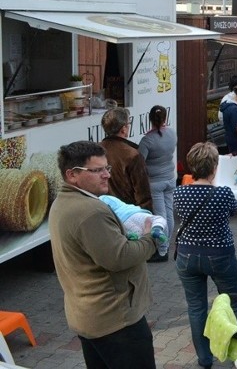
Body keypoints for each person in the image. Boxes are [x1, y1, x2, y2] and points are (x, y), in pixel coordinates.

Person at [49, 141, 158, 368]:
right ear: (72, 175)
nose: (107, 175)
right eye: (97, 170)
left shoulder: (63, 202)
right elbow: (119, 257)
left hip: (89, 317)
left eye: (106, 168)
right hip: (116, 322)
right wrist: (150, 238)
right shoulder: (90, 212)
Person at [174, 142, 237, 369]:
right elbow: (234, 210)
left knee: (196, 307)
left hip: (187, 256)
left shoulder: (180, 193)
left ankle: (205, 359)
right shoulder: (223, 193)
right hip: (220, 254)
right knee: (234, 301)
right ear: (214, 166)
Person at [137, 105, 177, 262]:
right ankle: (165, 245)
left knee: (160, 216)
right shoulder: (172, 134)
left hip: (155, 182)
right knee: (168, 213)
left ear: (150, 119)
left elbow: (140, 162)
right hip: (170, 178)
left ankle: (162, 250)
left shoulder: (147, 140)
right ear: (165, 118)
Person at [100, 107, 153, 211]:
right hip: (127, 213)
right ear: (123, 129)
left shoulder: (95, 150)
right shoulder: (132, 155)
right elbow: (143, 194)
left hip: (102, 210)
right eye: (129, 123)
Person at [99, 194, 170, 257]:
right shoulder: (106, 197)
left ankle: (133, 237)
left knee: (140, 235)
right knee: (158, 219)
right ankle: (157, 228)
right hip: (135, 214)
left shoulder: (99, 202)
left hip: (122, 221)